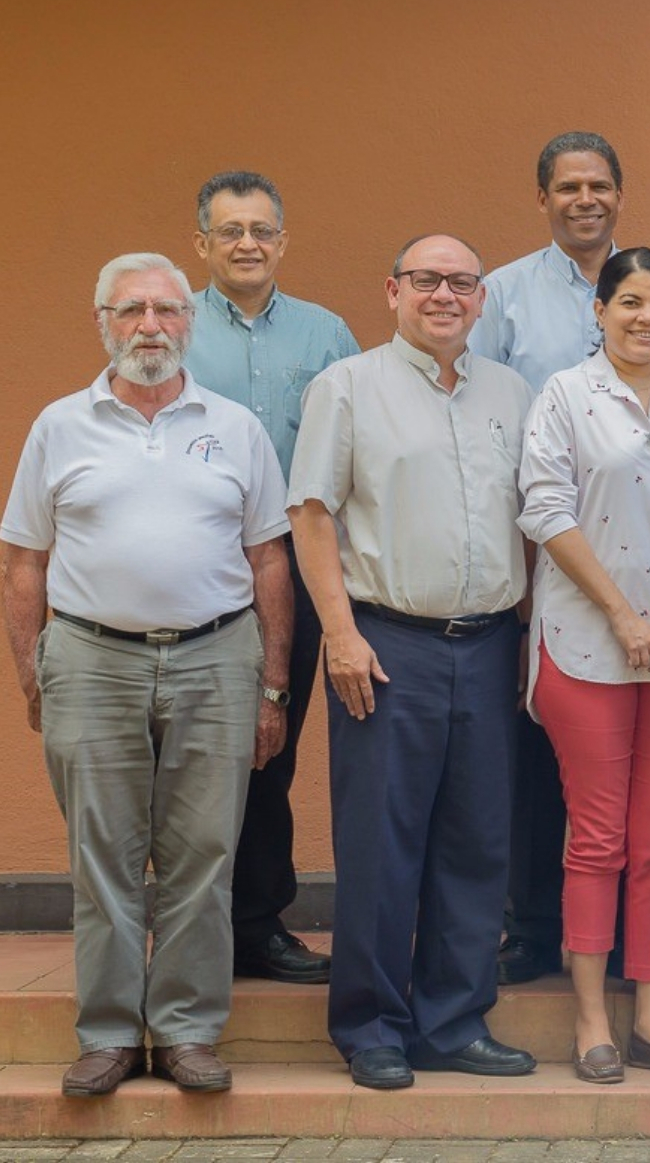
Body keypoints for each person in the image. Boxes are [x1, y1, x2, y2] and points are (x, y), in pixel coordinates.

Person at [0, 253, 291, 1096]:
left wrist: (273, 685)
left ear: (189, 324)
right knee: (104, 855)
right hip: (92, 657)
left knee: (204, 852)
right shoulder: (60, 425)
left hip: (216, 653)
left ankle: (189, 1031)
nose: (150, 327)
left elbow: (269, 560)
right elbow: (23, 563)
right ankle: (109, 1035)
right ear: (102, 322)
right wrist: (34, 670)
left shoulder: (235, 426)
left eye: (167, 311)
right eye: (131, 311)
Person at [288, 233, 537, 1090]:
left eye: (462, 283)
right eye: (427, 280)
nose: (445, 296)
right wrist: (340, 635)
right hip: (385, 643)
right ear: (392, 290)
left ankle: (454, 1021)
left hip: (491, 640)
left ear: (480, 299)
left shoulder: (511, 392)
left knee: (476, 843)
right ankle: (372, 1028)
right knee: (381, 844)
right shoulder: (347, 386)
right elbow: (312, 513)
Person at [470, 131, 650, 987]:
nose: (585, 198)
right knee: (562, 794)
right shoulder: (505, 298)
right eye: (568, 185)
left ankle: (630, 977)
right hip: (553, 584)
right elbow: (499, 429)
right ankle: (544, 939)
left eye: (600, 185)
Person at [515, 248, 650, 1086]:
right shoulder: (565, 395)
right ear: (598, 311)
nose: (647, 318)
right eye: (630, 302)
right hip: (590, 648)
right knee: (598, 838)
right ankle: (592, 1021)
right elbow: (544, 508)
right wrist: (621, 614)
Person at [184, 170, 359, 986]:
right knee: (194, 756)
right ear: (204, 244)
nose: (247, 244)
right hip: (195, 571)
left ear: (283, 241)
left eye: (261, 230)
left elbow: (362, 449)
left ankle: (257, 924)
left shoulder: (327, 337)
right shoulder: (171, 327)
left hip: (294, 566)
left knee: (272, 749)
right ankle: (196, 928)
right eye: (230, 231)